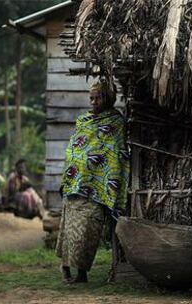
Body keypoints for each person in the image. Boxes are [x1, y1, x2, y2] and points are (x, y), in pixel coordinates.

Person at [55, 81, 130, 284]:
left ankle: (81, 274)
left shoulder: (116, 123)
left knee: (87, 232)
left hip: (97, 188)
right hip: (74, 185)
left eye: (97, 98)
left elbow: (116, 152)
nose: (93, 102)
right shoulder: (84, 121)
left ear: (108, 98)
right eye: (91, 98)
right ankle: (66, 269)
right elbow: (74, 149)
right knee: (68, 230)